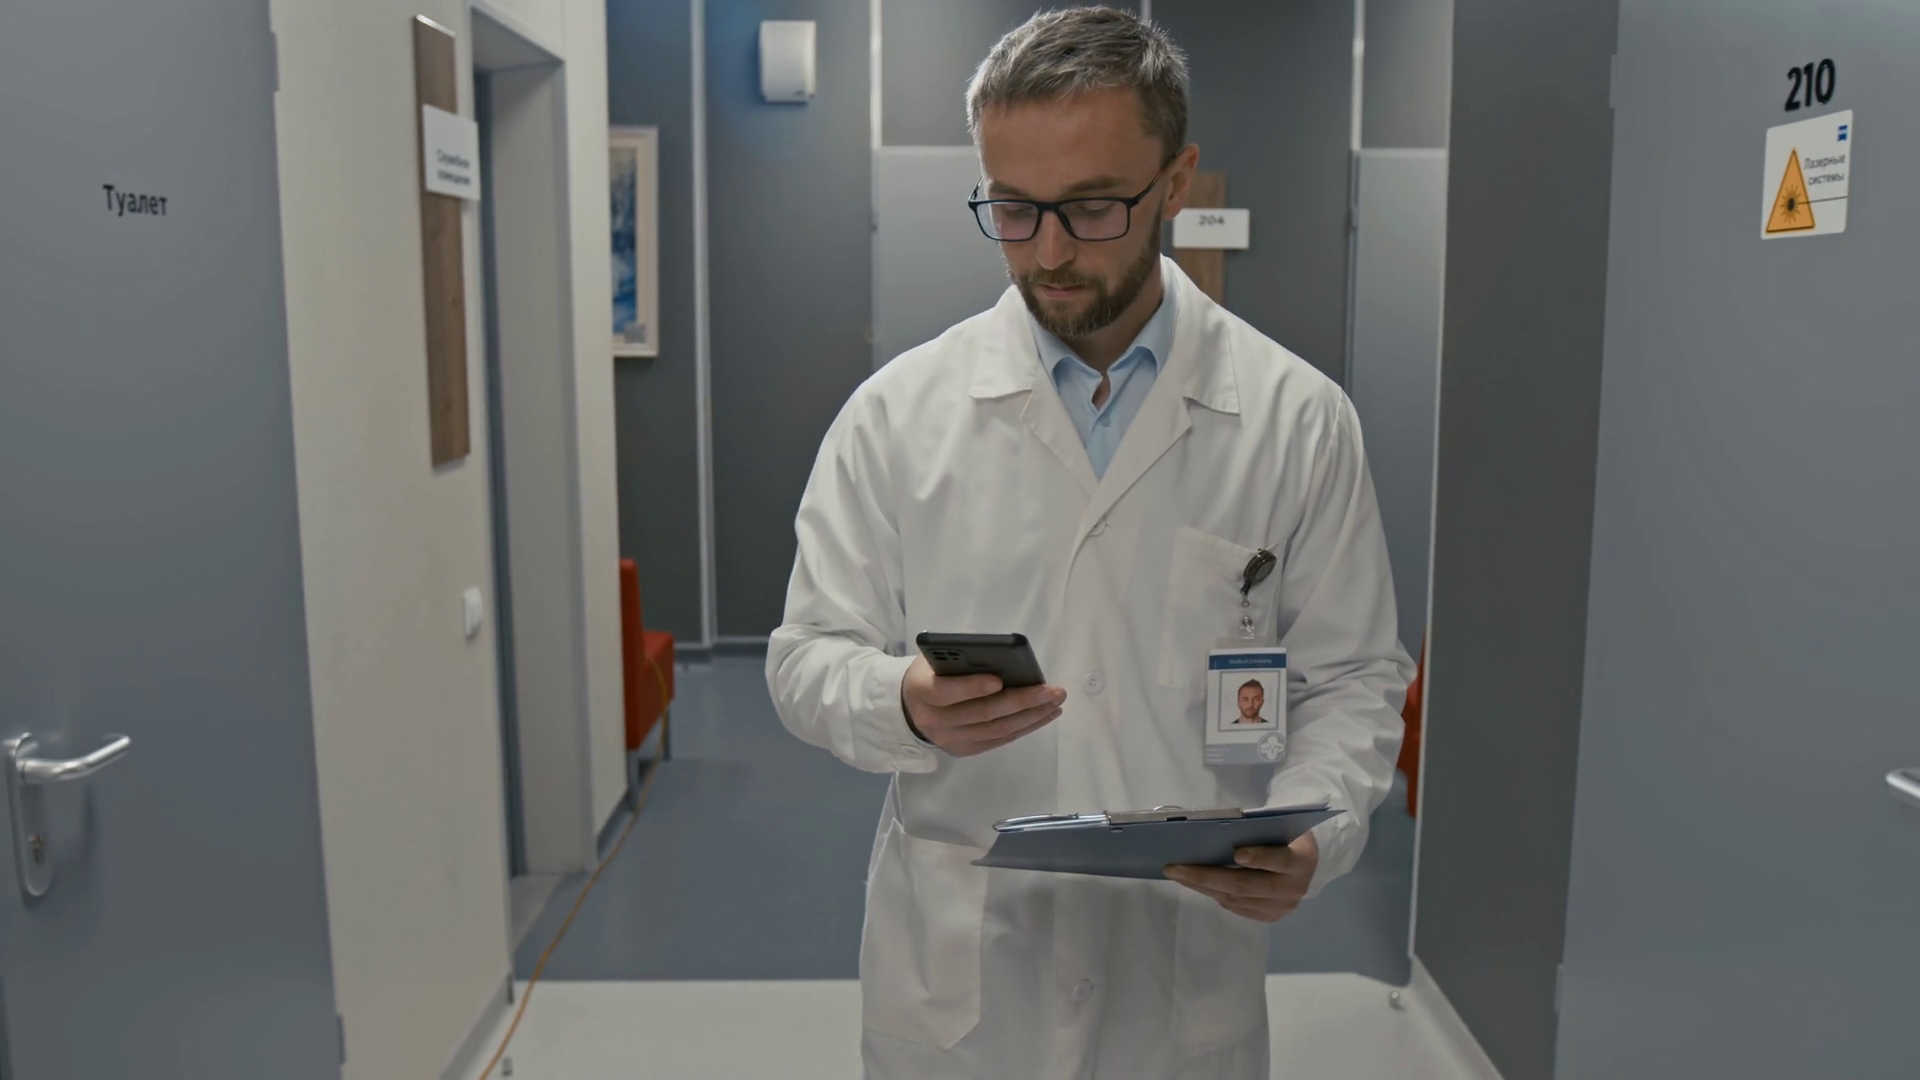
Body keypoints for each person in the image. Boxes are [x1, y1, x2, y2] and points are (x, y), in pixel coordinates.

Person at [766, 8, 1412, 1078]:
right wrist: (901, 702)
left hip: (1180, 975)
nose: (1050, 251)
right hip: (965, 988)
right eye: (1013, 209)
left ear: (1176, 180)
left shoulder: (1297, 420)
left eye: (1093, 206)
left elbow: (1353, 677)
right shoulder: (896, 417)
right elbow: (804, 658)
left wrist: (1318, 833)